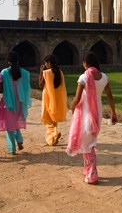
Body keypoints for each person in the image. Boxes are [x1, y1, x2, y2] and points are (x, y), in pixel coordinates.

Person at [66, 52, 117, 184]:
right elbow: (110, 96)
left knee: (87, 143)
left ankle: (92, 175)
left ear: (86, 63)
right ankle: (88, 170)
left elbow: (77, 98)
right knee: (88, 141)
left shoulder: (84, 77)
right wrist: (113, 112)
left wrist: (70, 107)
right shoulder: (103, 77)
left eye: (83, 63)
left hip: (86, 112)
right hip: (97, 110)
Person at [0, 51, 31, 155]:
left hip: (8, 102)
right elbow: (26, 89)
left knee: (9, 125)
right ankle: (19, 140)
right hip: (20, 101)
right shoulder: (25, 73)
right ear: (18, 61)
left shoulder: (4, 73)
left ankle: (12, 148)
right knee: (15, 122)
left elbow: (0, 88)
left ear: (8, 61)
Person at [39, 54, 67, 146]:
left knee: (46, 118)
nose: (45, 65)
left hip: (47, 98)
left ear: (49, 63)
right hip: (57, 99)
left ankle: (54, 135)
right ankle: (53, 139)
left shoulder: (47, 73)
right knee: (53, 119)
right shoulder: (60, 72)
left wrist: (41, 72)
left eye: (46, 63)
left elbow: (40, 84)